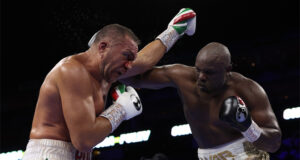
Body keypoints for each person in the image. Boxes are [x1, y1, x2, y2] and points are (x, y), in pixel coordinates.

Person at [22, 8, 196, 160]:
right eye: (126, 56)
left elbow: (144, 61)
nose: (129, 65)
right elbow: (84, 140)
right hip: (49, 154)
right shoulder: (73, 71)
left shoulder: (108, 72)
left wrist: (174, 30)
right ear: (103, 47)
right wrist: (120, 109)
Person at [121, 42, 282, 159]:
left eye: (209, 72)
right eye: (198, 70)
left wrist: (248, 126)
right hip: (207, 156)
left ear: (227, 70)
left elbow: (274, 143)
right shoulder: (181, 76)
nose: (201, 77)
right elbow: (130, 76)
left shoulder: (247, 89)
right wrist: (169, 36)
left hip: (246, 153)